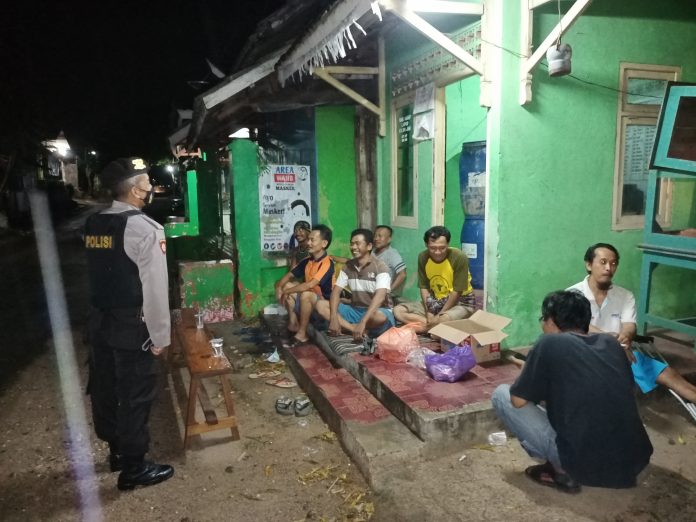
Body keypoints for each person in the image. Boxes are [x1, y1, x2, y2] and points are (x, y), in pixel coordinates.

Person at [492, 290, 653, 493]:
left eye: (543, 319)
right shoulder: (611, 344)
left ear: (552, 321)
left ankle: (561, 470)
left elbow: (518, 401)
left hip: (589, 465)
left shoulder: (548, 343)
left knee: (501, 394)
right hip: (636, 459)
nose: (543, 325)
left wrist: (527, 371)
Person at [84, 157, 174, 491]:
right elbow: (155, 289)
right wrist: (160, 336)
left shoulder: (95, 223)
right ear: (137, 189)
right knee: (135, 394)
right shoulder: (145, 229)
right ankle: (134, 468)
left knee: (106, 388)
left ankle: (118, 452)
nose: (151, 186)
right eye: (147, 181)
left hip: (99, 322)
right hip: (131, 325)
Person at [568, 243, 696, 404]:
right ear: (589, 265)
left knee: (669, 375)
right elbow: (576, 327)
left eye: (613, 263)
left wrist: (626, 336)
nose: (608, 268)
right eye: (603, 262)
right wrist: (610, 339)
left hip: (621, 353)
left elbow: (629, 325)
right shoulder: (572, 295)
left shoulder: (625, 296)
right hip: (585, 356)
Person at [316, 228, 395, 341]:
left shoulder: (380, 267)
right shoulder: (347, 266)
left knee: (379, 316)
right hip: (355, 310)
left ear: (369, 246)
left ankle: (353, 326)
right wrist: (333, 318)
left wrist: (363, 321)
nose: (353, 247)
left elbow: (380, 296)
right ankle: (353, 328)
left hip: (376, 312)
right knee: (321, 305)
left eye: (357, 243)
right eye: (352, 243)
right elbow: (336, 292)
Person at [393, 226, 475, 333]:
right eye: (432, 248)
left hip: (461, 302)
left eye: (442, 248)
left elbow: (457, 292)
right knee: (398, 311)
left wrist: (439, 315)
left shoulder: (459, 257)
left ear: (448, 244)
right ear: (426, 245)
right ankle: (433, 329)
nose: (437, 252)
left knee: (442, 320)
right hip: (435, 301)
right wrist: (429, 312)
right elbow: (424, 287)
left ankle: (428, 328)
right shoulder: (423, 257)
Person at [275, 224, 335, 344]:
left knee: (303, 293)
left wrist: (286, 292)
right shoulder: (308, 261)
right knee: (288, 285)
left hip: (324, 307)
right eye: (309, 239)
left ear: (324, 243)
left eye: (312, 240)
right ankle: (293, 324)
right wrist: (279, 287)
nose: (308, 243)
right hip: (308, 301)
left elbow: (310, 285)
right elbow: (288, 276)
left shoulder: (327, 263)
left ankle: (302, 334)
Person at [373, 225, 407, 301]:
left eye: (380, 236)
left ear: (389, 239)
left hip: (381, 296)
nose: (376, 239)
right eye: (375, 236)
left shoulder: (392, 254)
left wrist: (388, 291)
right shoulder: (372, 252)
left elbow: (402, 274)